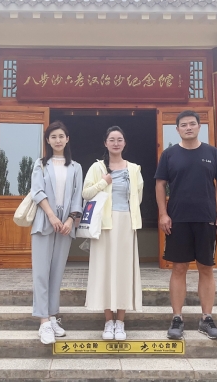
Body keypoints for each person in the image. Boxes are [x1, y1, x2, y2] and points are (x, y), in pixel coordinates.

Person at [155, 110, 217, 340]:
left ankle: (206, 318)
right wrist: (163, 214)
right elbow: (160, 184)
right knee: (179, 268)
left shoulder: (212, 153)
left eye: (192, 124)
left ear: (199, 127)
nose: (188, 127)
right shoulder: (169, 154)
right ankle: (177, 318)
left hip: (206, 218)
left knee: (206, 268)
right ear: (177, 129)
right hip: (177, 219)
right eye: (184, 125)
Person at [82, 126, 143, 341]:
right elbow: (86, 193)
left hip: (126, 222)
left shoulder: (133, 169)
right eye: (112, 139)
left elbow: (137, 198)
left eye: (119, 139)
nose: (116, 143)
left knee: (124, 270)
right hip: (103, 225)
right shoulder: (97, 167)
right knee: (105, 270)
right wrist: (103, 182)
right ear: (105, 143)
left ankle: (121, 322)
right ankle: (108, 321)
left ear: (124, 143)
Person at [30, 121, 84, 344]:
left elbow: (78, 195)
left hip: (65, 225)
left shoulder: (76, 167)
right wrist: (52, 216)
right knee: (41, 273)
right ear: (48, 140)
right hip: (45, 221)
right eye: (53, 136)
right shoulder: (40, 164)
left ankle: (52, 316)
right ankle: (43, 321)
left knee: (57, 273)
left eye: (61, 136)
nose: (58, 140)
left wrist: (71, 220)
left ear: (67, 139)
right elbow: (37, 192)